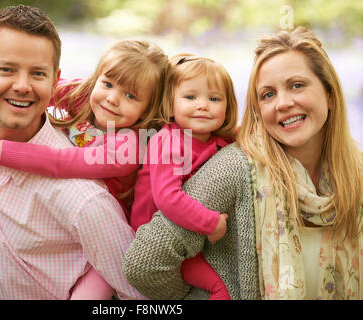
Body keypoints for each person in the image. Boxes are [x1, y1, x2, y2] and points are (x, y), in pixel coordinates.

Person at [123, 26, 362, 300]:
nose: (282, 103)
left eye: (297, 85)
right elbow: (144, 265)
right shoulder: (236, 169)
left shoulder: (356, 173)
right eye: (268, 94)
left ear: (330, 95)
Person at [0, 5, 146, 300]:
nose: (22, 86)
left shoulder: (86, 200)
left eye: (37, 74)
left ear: (54, 81)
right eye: (6, 69)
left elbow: (141, 297)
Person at [129, 53, 237, 300]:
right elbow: (168, 198)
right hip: (162, 243)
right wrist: (210, 223)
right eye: (190, 97)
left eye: (214, 98)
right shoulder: (168, 142)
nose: (203, 105)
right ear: (170, 103)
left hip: (194, 234)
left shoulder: (218, 141)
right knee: (223, 288)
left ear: (227, 106)